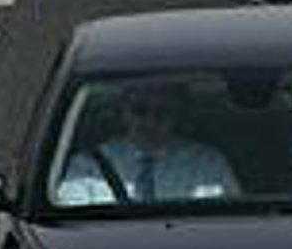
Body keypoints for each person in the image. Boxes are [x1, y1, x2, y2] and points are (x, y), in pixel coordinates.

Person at [56, 83, 240, 206]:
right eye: (140, 111)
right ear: (123, 112)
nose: (150, 121)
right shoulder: (88, 165)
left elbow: (224, 223)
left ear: (178, 115)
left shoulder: (208, 163)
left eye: (162, 112)